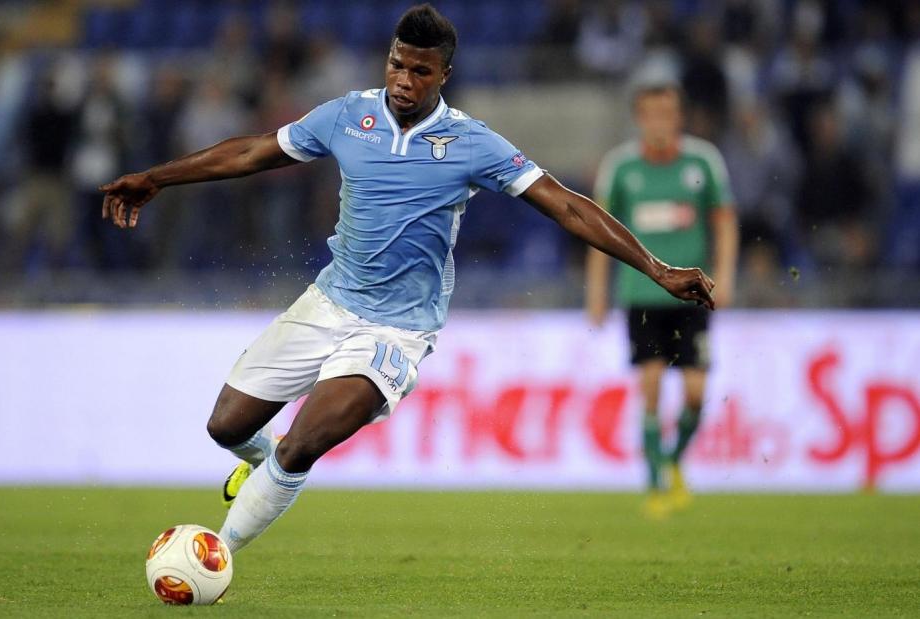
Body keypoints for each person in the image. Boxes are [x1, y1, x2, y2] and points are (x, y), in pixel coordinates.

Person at [101, 5, 715, 553]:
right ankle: (256, 466)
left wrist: (657, 268)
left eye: (421, 71)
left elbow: (567, 206)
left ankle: (217, 552)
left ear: (443, 74)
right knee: (226, 426)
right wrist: (156, 178)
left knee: (301, 443)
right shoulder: (348, 115)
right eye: (397, 64)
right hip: (328, 301)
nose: (404, 79)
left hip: (396, 330)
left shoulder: (471, 143)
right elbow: (251, 152)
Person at [585, 83, 737, 518]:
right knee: (650, 386)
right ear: (639, 118)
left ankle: (672, 461)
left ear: (679, 117)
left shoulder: (703, 162)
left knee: (695, 392)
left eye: (667, 113)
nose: (659, 122)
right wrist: (597, 292)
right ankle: (655, 484)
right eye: (651, 114)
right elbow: (599, 233)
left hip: (692, 295)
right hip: (642, 294)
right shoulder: (621, 167)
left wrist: (725, 276)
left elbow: (725, 222)